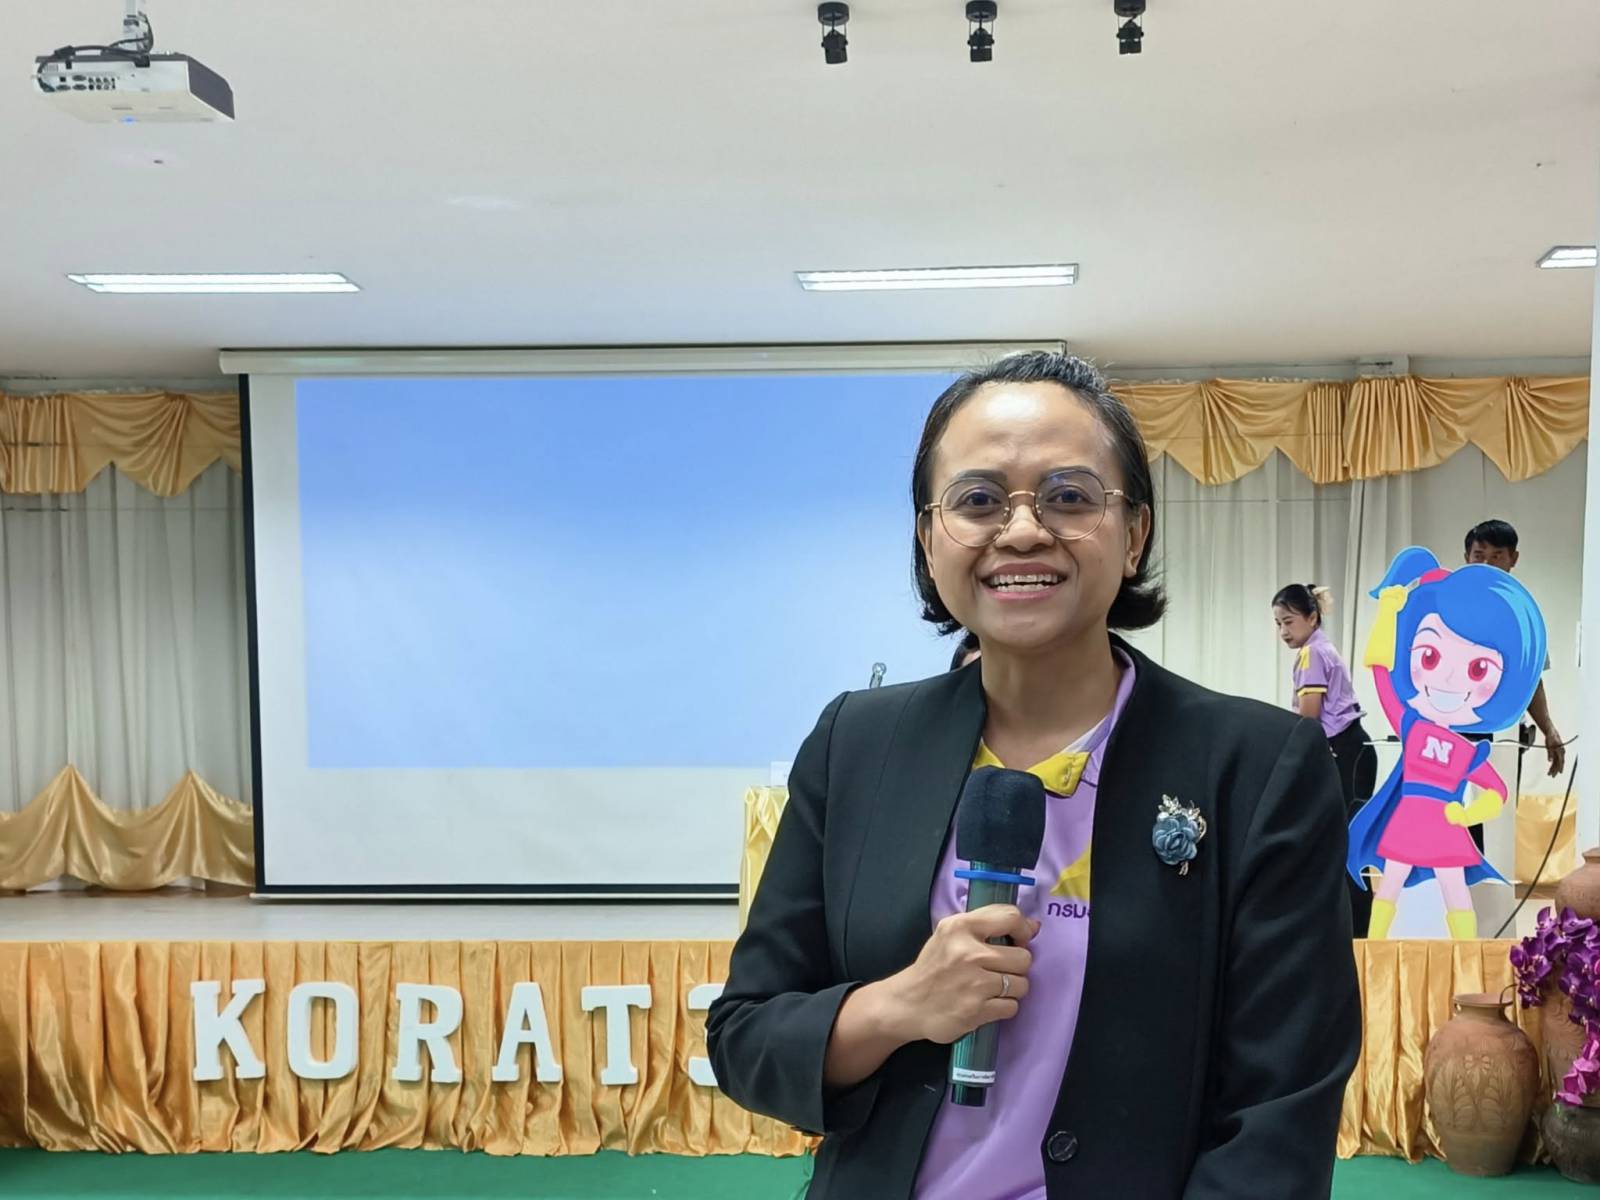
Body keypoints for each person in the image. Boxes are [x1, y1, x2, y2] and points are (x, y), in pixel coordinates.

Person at [708, 352, 1360, 1199]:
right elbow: (748, 1036)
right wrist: (900, 1004)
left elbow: (1280, 1117)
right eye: (978, 501)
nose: (1021, 531)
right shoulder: (856, 744)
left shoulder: (1256, 767)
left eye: (1070, 497)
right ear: (928, 539)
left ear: (1134, 534)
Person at [1345, 548, 1547, 940]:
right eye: (1431, 656)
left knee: (1453, 890)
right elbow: (1382, 673)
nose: (1450, 680)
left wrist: (1468, 814)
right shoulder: (1412, 727)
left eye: (1478, 668)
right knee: (1391, 885)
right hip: (1408, 821)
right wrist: (1387, 613)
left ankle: (1464, 955)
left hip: (1444, 824)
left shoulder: (1464, 750)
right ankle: (1376, 951)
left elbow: (1497, 790)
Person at [1272, 583, 1376, 936]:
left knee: (1344, 845)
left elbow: (1309, 717)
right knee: (1347, 843)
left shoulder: (1311, 654)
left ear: (1312, 617)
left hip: (1343, 752)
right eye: (1278, 624)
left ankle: (1355, 933)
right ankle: (1351, 929)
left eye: (1289, 622)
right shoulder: (1322, 647)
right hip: (1353, 750)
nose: (1283, 631)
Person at [1463, 519, 1565, 778]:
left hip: (1504, 733)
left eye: (1497, 556)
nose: (1487, 564)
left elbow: (1531, 682)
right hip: (1452, 728)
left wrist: (1549, 729)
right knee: (1447, 803)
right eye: (1479, 556)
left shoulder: (1523, 617)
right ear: (1466, 558)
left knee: (1499, 800)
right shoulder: (1445, 606)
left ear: (1513, 559)